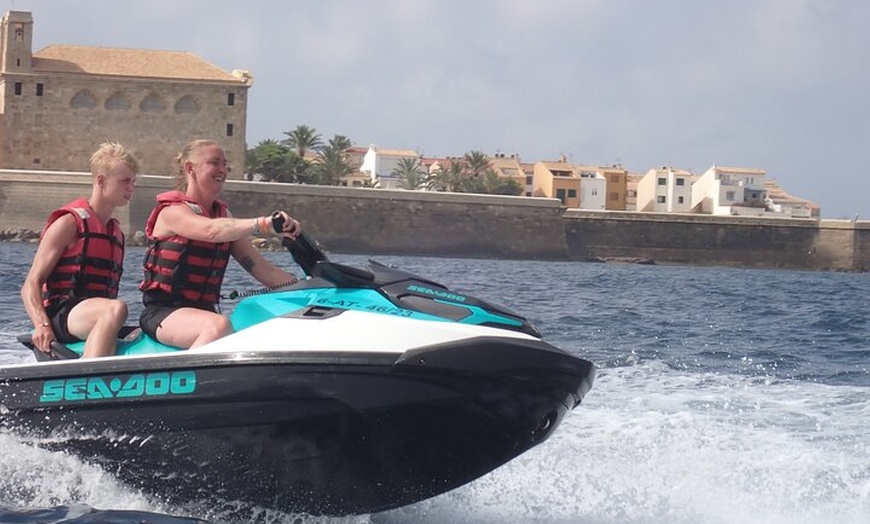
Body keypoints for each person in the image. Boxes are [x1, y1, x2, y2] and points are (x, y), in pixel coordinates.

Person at [138, 139, 301, 349]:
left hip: (204, 313)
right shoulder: (172, 213)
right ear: (190, 168)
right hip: (163, 313)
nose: (222, 170)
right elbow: (211, 231)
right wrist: (264, 224)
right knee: (218, 326)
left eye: (225, 164)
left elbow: (265, 271)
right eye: (214, 163)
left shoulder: (224, 217)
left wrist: (314, 290)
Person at [21, 142, 140, 358]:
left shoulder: (116, 234)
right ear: (101, 181)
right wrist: (41, 325)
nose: (131, 188)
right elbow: (31, 284)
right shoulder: (69, 224)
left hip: (92, 315)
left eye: (133, 181)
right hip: (63, 315)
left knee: (144, 331)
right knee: (115, 308)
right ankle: (88, 376)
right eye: (125, 181)